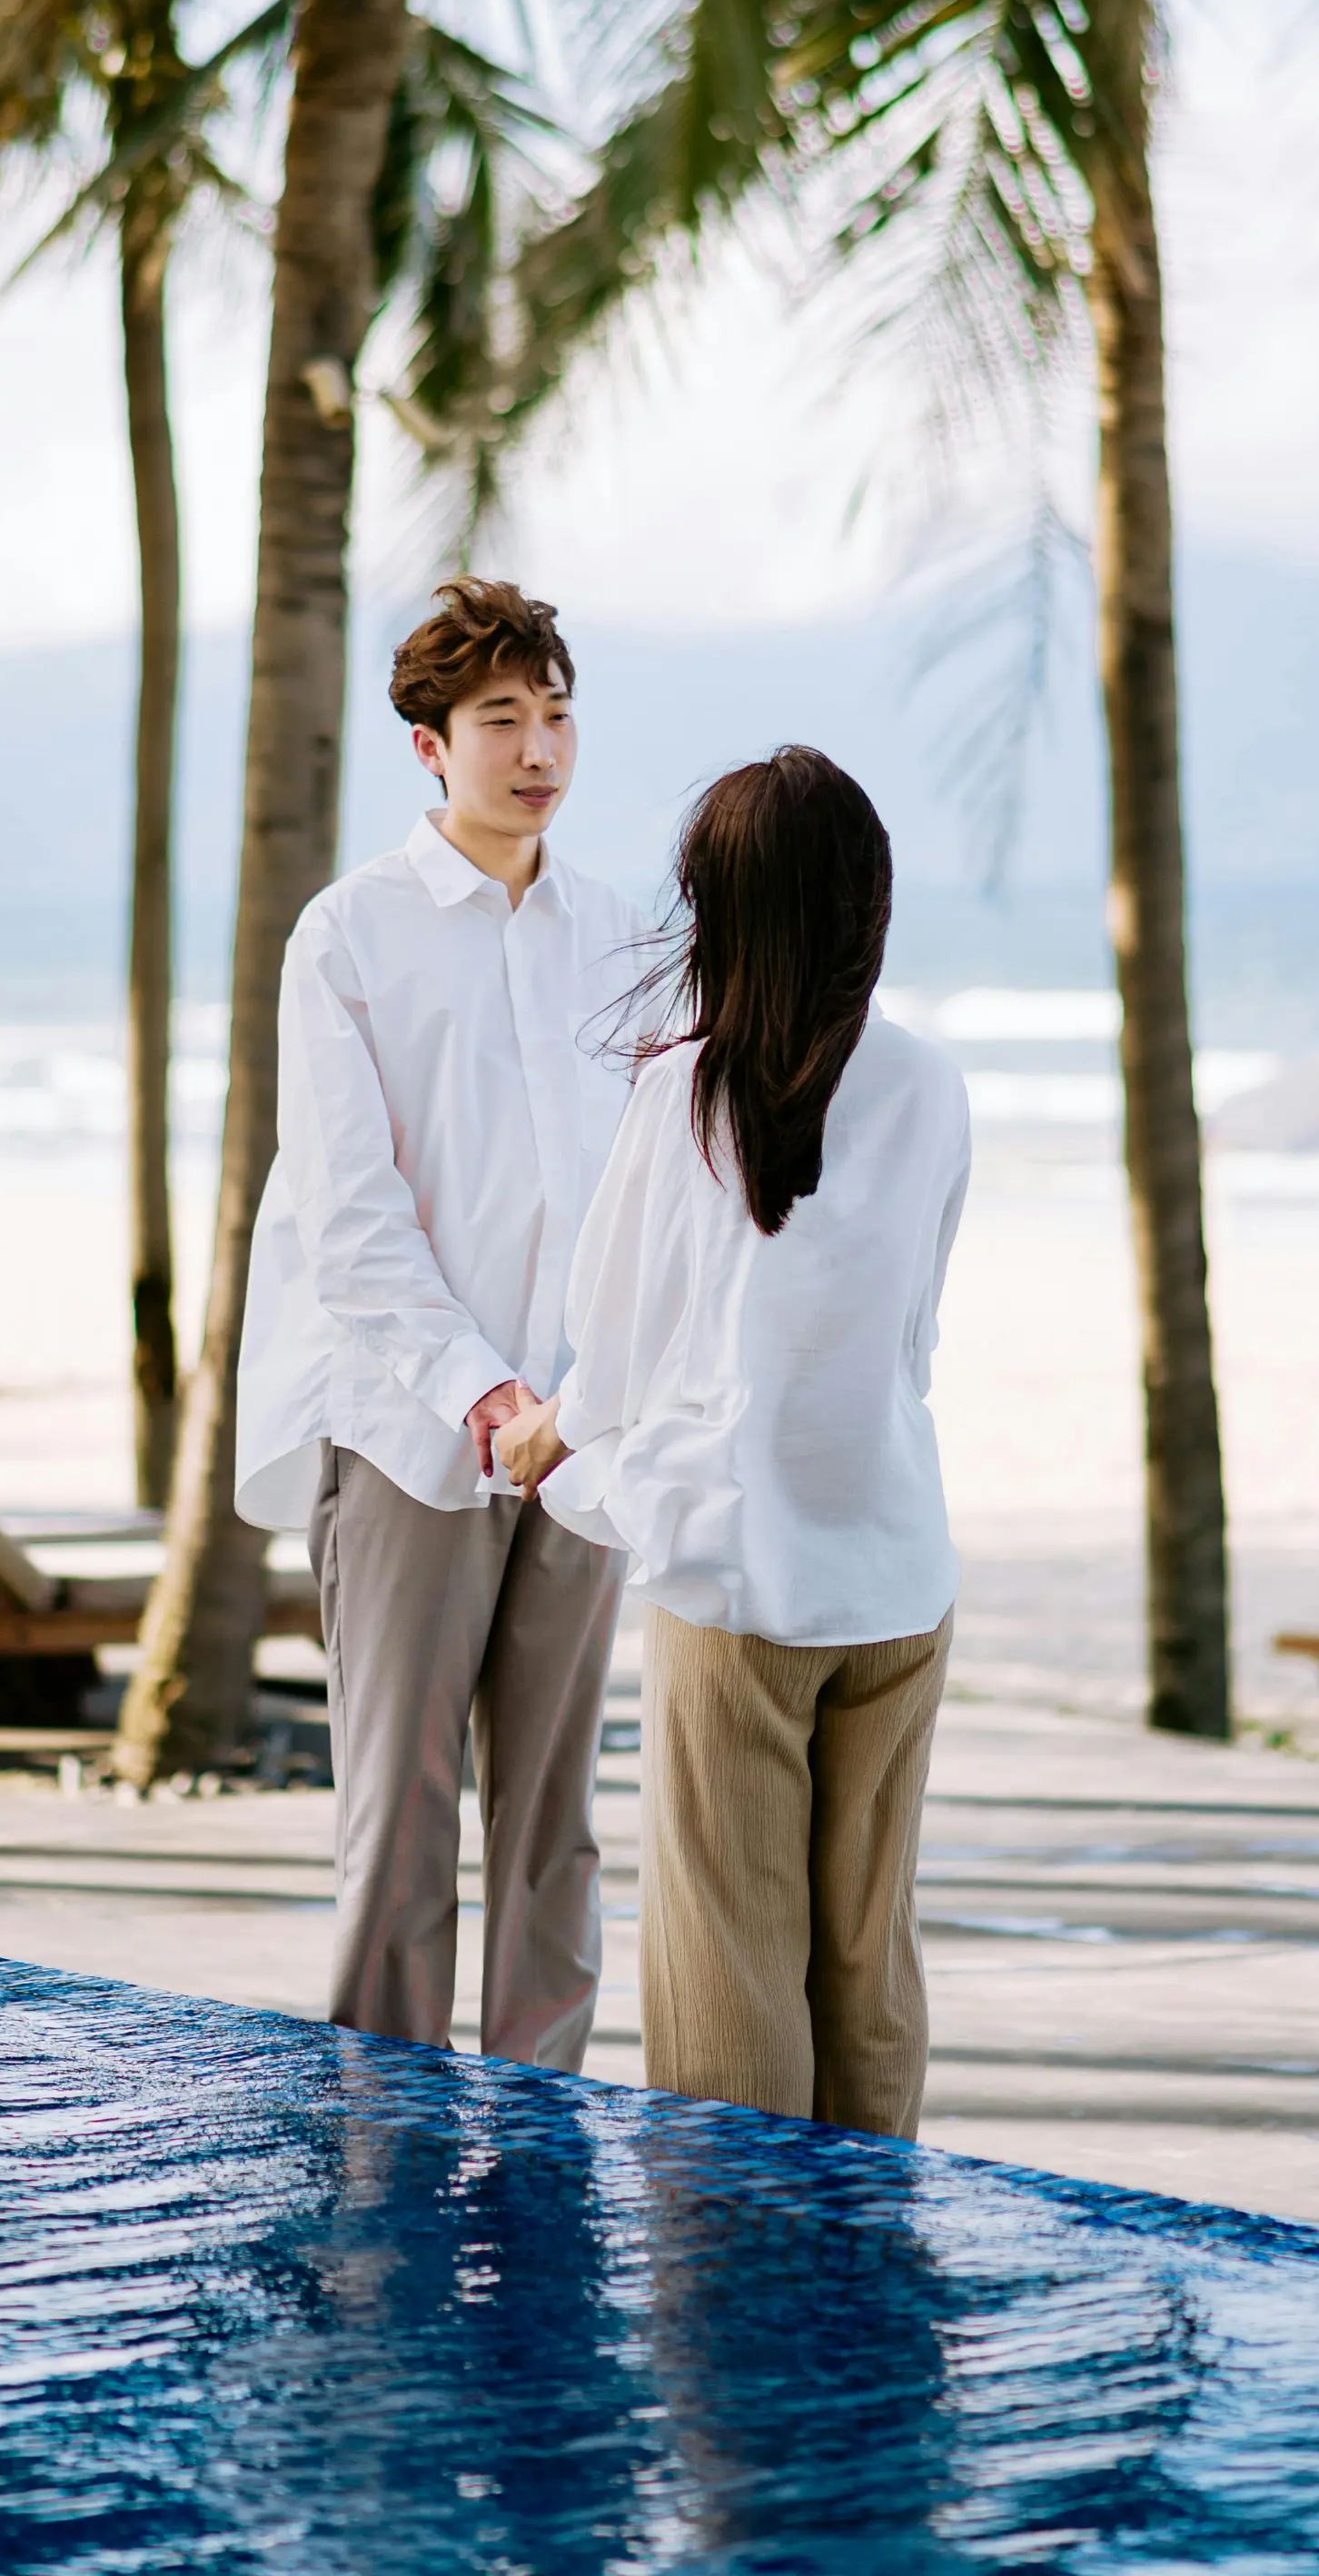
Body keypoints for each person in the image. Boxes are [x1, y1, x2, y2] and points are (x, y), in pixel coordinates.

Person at [499, 746, 970, 2141]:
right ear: (867, 906)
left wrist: (548, 1436)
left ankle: (740, 2310)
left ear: (725, 914)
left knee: (728, 1972)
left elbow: (617, 1348)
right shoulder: (932, 1086)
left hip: (738, 1582)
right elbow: (915, 1339)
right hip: (896, 1573)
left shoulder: (688, 1089)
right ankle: (868, 2278)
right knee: (865, 1960)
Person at [233, 578, 640, 2071]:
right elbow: (351, 1222)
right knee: (398, 1829)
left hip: (586, 1441)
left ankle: (541, 2138)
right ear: (429, 746)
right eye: (498, 721)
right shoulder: (350, 936)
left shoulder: (619, 936)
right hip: (410, 1431)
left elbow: (648, 1189)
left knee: (555, 1822)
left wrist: (589, 1401)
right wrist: (486, 1396)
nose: (537, 749)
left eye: (553, 713)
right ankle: (381, 2155)